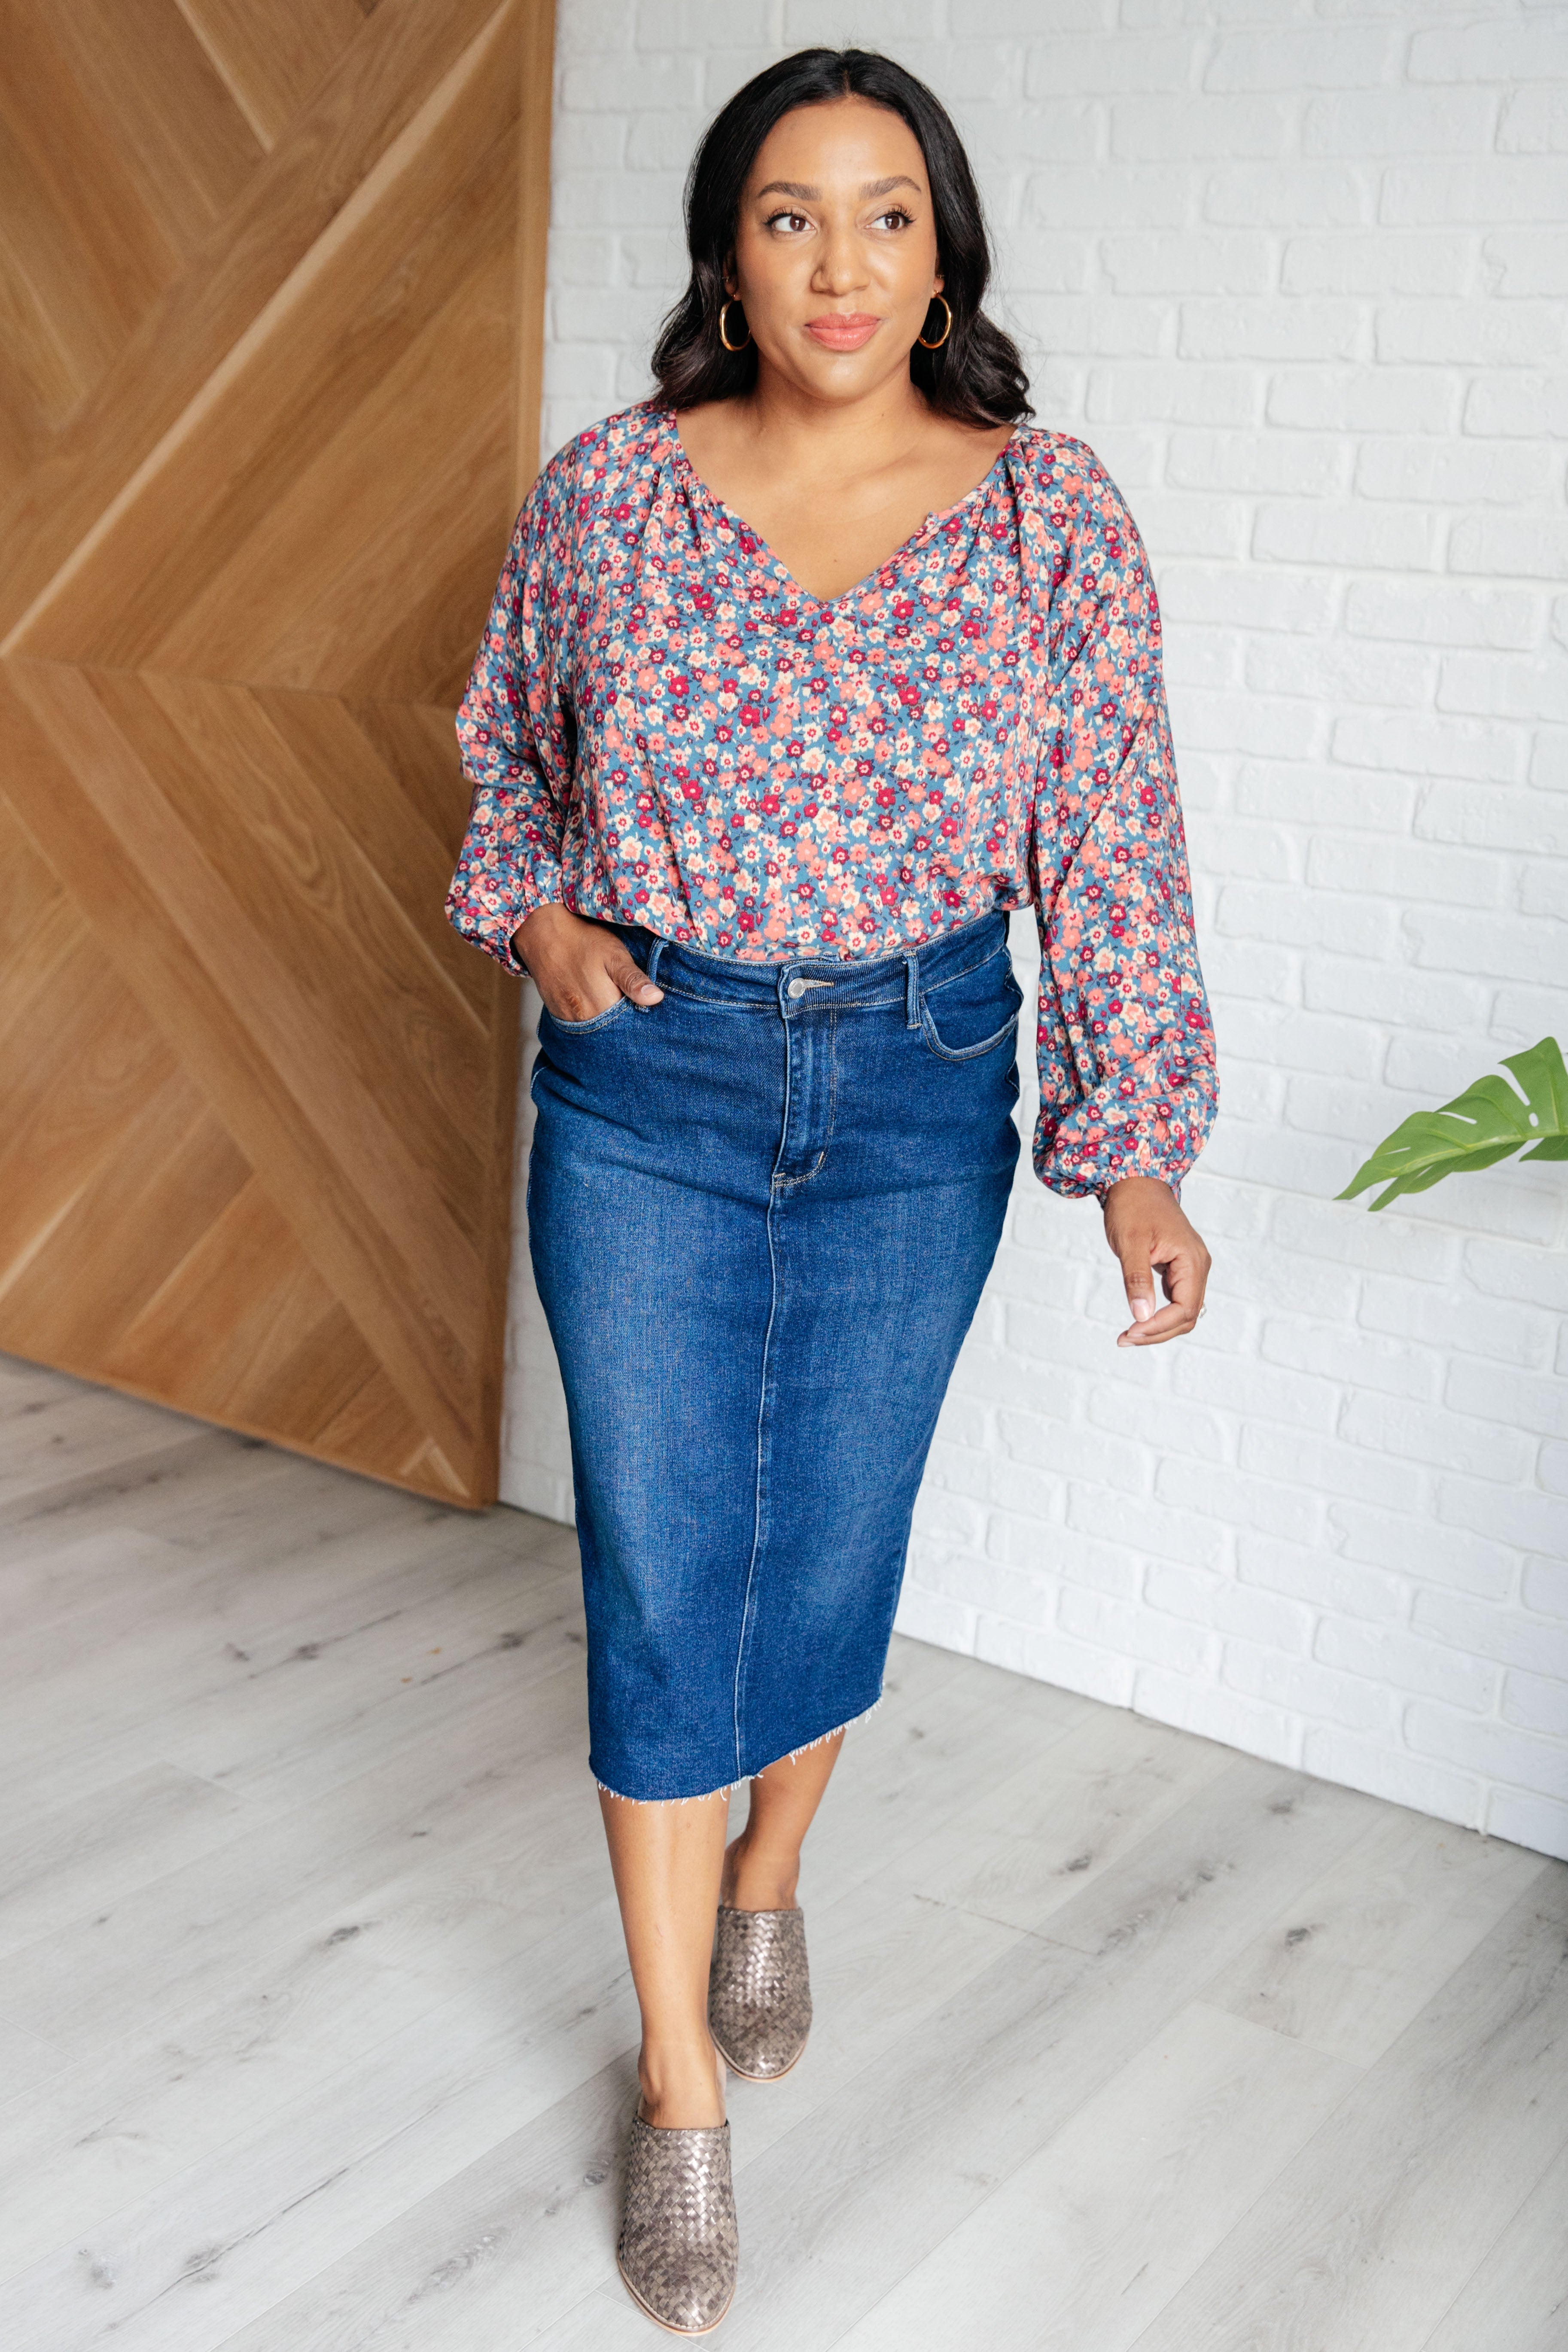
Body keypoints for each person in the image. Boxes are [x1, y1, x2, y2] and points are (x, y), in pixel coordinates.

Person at [446, 45, 1217, 2337]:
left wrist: (1136, 1149)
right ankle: (679, 2075)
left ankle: (771, 1873)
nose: (840, 263)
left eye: (884, 215)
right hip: (648, 1082)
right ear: (724, 250)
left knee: (834, 1531)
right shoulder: (605, 498)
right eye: (790, 215)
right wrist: (541, 918)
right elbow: (505, 740)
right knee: (668, 1571)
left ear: (943, 248)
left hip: (915, 1083)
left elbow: (1111, 837)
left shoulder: (1043, 514)